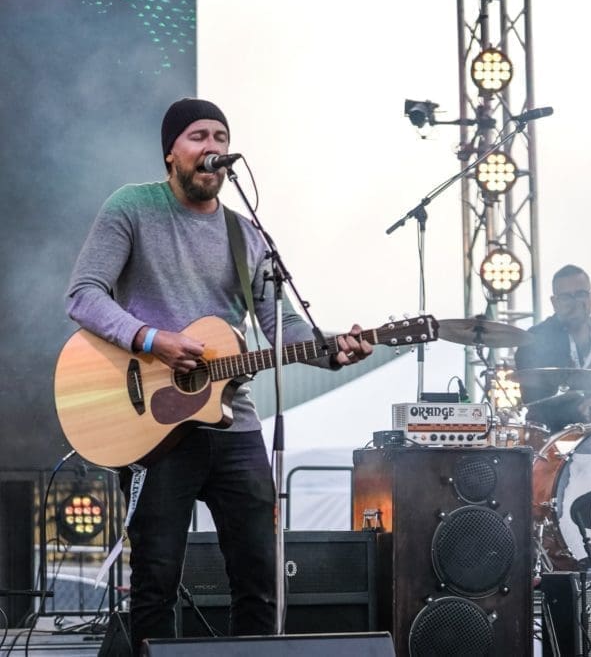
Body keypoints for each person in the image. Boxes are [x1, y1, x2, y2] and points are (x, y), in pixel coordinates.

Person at [65, 98, 373, 655]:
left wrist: (333, 351)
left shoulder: (247, 235)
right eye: (198, 136)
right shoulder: (132, 207)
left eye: (221, 137)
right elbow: (83, 296)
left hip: (234, 424)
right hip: (153, 426)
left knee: (259, 576)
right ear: (170, 154)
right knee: (156, 580)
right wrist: (152, 340)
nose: (213, 147)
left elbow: (282, 325)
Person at [514, 264, 591, 433]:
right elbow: (533, 400)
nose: (575, 303)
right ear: (554, 302)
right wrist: (577, 405)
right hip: (551, 437)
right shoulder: (534, 339)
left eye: (581, 294)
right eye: (566, 297)